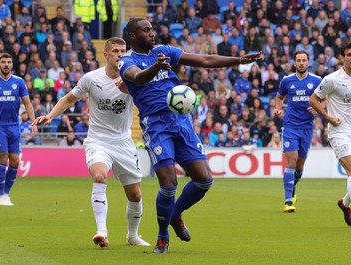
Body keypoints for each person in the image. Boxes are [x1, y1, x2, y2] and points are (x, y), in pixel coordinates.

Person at [118, 18, 264, 254]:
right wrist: (156, 67)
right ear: (132, 36)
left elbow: (205, 60)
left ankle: (175, 214)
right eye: (146, 30)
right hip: (156, 125)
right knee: (168, 183)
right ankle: (162, 237)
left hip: (181, 122)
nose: (152, 33)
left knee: (204, 180)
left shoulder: (164, 51)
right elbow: (137, 77)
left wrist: (238, 61)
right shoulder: (126, 60)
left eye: (152, 29)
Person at [32, 37, 150, 248]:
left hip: (123, 142)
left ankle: (132, 236)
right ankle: (101, 231)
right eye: (115, 51)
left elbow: (148, 103)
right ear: (106, 55)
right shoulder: (91, 78)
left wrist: (131, 90)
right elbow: (69, 99)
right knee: (99, 175)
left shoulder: (133, 78)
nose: (120, 54)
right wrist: (51, 115)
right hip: (98, 140)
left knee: (135, 194)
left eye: (123, 50)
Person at [0, 53, 38, 206]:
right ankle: (0, 196)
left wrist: (33, 122)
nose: (6, 64)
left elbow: (27, 103)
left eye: (8, 62)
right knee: (2, 158)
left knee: (15, 161)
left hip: (14, 126)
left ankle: (6, 194)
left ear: (12, 65)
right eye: (3, 62)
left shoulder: (19, 82)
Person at [273, 51, 322, 213]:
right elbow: (279, 98)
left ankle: (292, 187)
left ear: (308, 62)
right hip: (290, 126)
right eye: (298, 60)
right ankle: (288, 201)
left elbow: (327, 97)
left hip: (307, 127)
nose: (301, 63)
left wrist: (319, 108)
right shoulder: (287, 81)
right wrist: (278, 110)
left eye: (304, 60)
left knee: (300, 166)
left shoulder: (317, 81)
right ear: (294, 63)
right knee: (291, 162)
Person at [309, 42, 351, 226]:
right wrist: (328, 117)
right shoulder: (332, 79)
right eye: (349, 54)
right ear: (343, 57)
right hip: (339, 131)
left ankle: (345, 203)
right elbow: (313, 99)